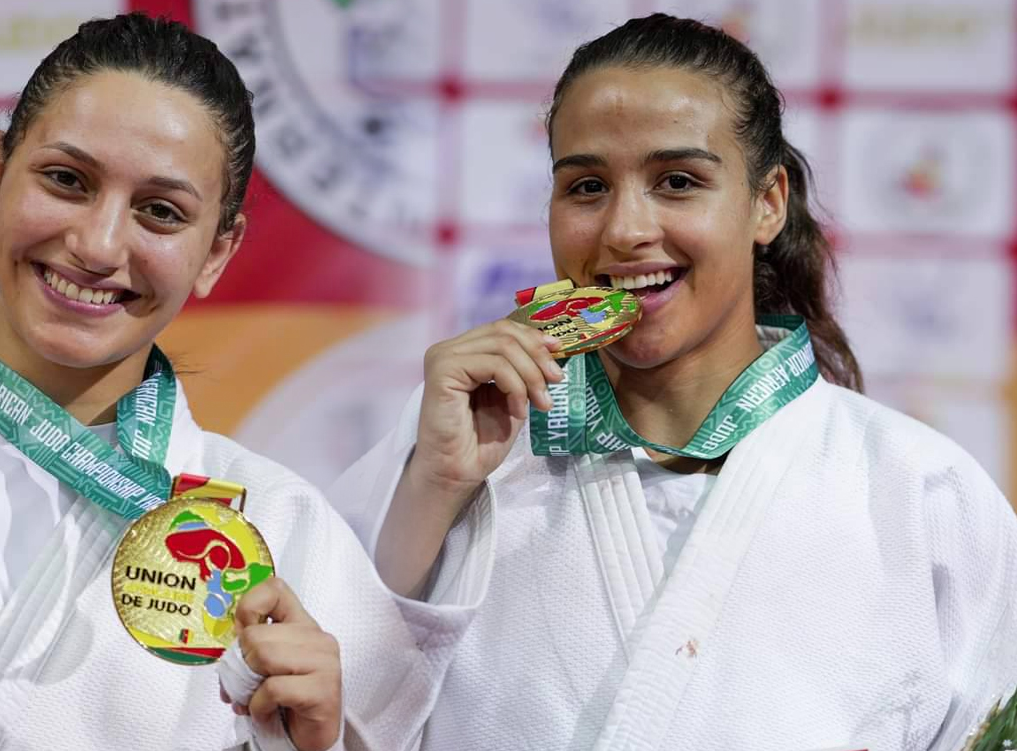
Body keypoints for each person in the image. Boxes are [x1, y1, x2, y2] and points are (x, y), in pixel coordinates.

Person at [0, 14, 460, 751]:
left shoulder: (283, 528)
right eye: (67, 180)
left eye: (160, 212)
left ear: (216, 252)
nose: (99, 245)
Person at [332, 13, 1017, 750]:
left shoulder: (922, 492)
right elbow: (311, 708)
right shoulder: (456, 449)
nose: (625, 229)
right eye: (587, 186)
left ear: (767, 202)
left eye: (678, 182)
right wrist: (434, 487)